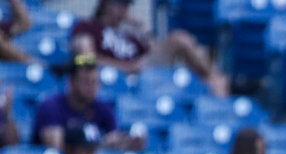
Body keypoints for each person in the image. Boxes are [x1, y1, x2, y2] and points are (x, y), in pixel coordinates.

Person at [71, 0, 228, 96]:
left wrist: (142, 28)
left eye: (127, 4)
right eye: (119, 3)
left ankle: (214, 81)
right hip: (110, 78)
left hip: (146, 75)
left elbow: (157, 54)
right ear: (104, 3)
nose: (124, 8)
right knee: (178, 38)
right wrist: (129, 67)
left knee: (180, 39)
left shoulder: (130, 37)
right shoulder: (88, 26)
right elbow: (84, 59)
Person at [33, 53, 143, 151]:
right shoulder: (50, 106)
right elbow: (55, 145)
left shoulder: (103, 109)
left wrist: (126, 143)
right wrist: (102, 143)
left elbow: (113, 138)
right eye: (86, 82)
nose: (91, 87)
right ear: (71, 81)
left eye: (94, 82)